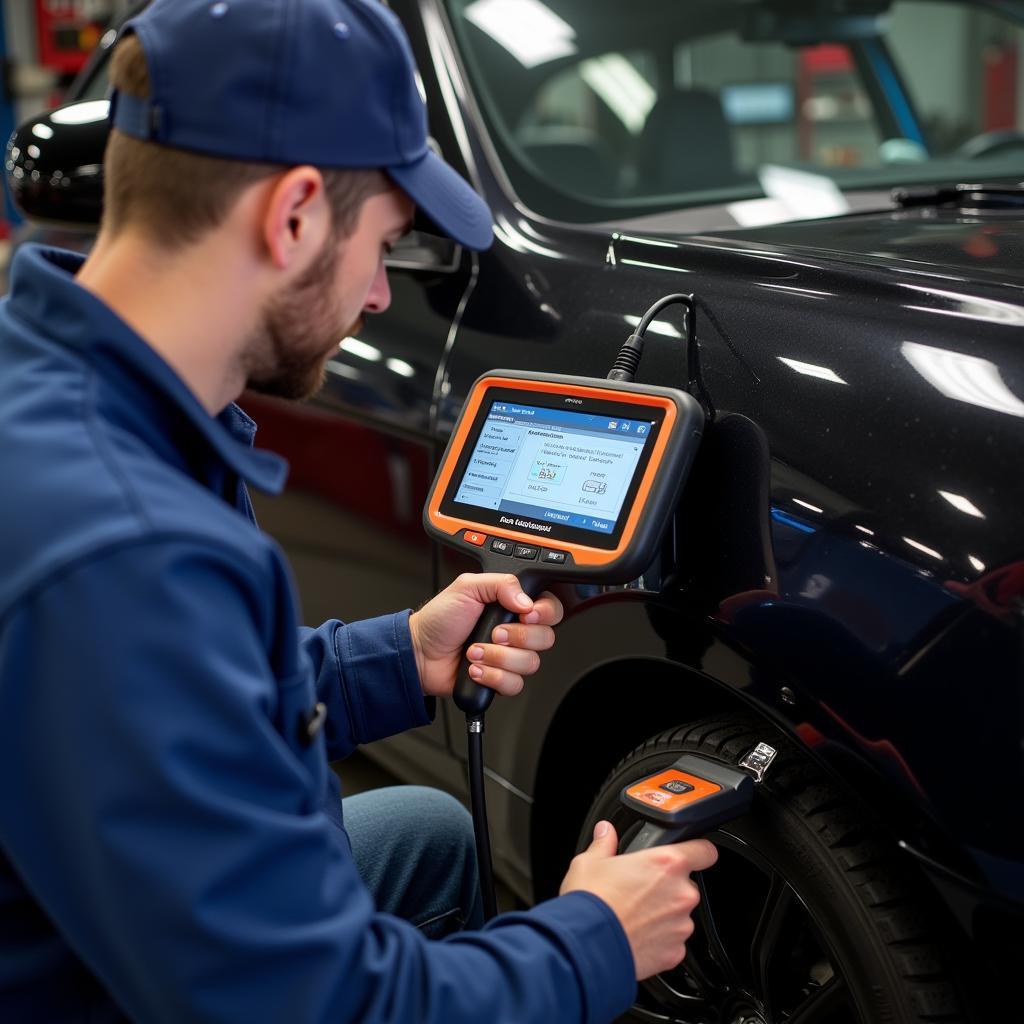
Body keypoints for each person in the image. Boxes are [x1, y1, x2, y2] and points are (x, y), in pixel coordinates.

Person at [0, 1, 717, 1021]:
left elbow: (174, 688)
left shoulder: (70, 390)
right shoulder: (126, 545)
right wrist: (593, 938)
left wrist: (398, 656)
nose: (380, 295)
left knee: (426, 831)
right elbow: (313, 1001)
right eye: (382, 242)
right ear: (291, 214)